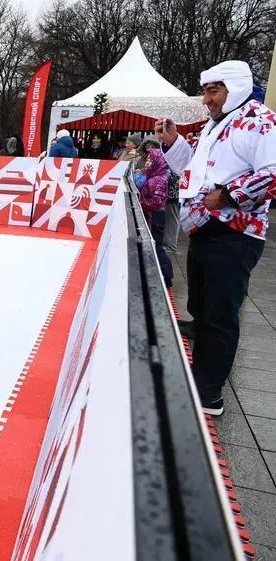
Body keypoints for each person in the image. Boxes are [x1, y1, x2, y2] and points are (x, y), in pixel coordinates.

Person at [157, 60, 274, 415]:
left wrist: (229, 195)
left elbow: (274, 172)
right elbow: (193, 170)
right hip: (204, 230)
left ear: (234, 88)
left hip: (235, 233)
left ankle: (209, 392)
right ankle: (200, 373)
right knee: (202, 310)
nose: (206, 100)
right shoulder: (215, 125)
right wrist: (174, 143)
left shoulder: (261, 121)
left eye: (213, 91)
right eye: (205, 91)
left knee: (220, 314)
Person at [132, 137, 173, 287]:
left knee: (155, 245)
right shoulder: (153, 175)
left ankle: (166, 276)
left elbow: (156, 201)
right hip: (152, 215)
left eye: (150, 160)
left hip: (155, 216)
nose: (148, 162)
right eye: (147, 159)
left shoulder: (160, 179)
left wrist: (142, 203)